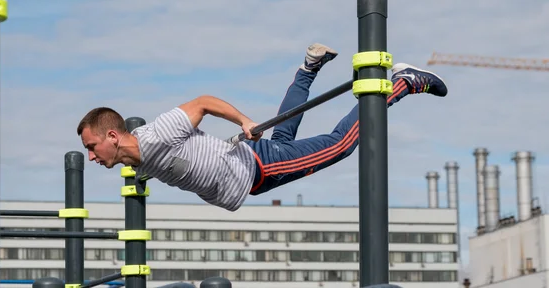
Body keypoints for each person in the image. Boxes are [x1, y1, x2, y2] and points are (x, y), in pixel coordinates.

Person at [77, 43, 448, 212]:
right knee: (285, 133)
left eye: (92, 147)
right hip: (255, 168)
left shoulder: (157, 133)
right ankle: (308, 68)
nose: (91, 156)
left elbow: (202, 102)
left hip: (259, 168)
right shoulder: (135, 161)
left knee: (340, 145)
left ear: (113, 135)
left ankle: (405, 82)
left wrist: (243, 121)